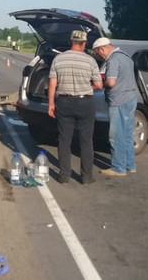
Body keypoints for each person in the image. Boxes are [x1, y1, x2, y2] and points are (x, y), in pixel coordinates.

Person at [47, 30, 103, 184]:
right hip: (85, 102)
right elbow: (99, 84)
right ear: (84, 44)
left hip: (64, 102)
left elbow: (52, 83)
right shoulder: (90, 61)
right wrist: (87, 87)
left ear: (71, 41)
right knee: (86, 140)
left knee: (64, 139)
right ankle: (86, 177)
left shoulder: (58, 59)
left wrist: (51, 103)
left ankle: (64, 175)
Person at [92, 37, 137, 176]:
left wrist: (100, 84)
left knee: (116, 135)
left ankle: (118, 168)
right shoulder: (126, 57)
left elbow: (111, 82)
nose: (100, 56)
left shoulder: (113, 60)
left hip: (119, 100)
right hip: (131, 98)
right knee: (128, 134)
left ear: (102, 49)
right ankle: (130, 165)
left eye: (98, 53)